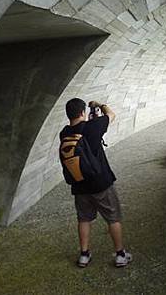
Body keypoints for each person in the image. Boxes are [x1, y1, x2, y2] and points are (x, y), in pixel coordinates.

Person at [60, 98, 132, 268]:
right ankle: (120, 255)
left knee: (84, 219)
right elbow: (111, 115)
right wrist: (99, 105)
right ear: (82, 112)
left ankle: (84, 255)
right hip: (101, 184)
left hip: (79, 185)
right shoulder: (93, 127)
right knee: (113, 218)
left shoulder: (64, 132)